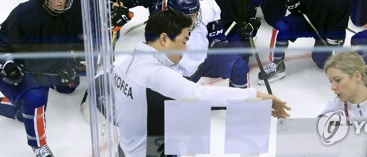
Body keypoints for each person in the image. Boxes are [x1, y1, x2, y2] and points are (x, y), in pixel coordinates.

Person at [112, 9, 290, 157]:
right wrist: (256, 95)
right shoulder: (153, 72)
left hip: (127, 149)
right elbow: (199, 94)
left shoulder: (122, 60)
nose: (186, 48)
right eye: (183, 41)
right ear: (164, 39)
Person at [0, 0, 83, 157]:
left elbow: (75, 40)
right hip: (20, 69)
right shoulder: (23, 13)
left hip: (44, 67)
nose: (63, 1)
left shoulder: (69, 14)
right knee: (35, 98)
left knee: (69, 86)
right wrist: (8, 65)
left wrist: (66, 65)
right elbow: (1, 42)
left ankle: (16, 106)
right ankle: (39, 146)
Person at [258, 0, 351, 83]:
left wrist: (332, 47)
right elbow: (294, 1)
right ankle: (277, 65)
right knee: (280, 29)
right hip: (304, 20)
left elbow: (338, 27)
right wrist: (293, 5)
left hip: (326, 28)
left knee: (322, 62)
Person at [167, 0, 249, 88]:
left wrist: (216, 33)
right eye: (186, 16)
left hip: (205, 59)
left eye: (194, 14)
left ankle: (240, 103)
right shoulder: (162, 36)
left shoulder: (202, 11)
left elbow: (212, 5)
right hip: (184, 74)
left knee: (239, 65)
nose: (192, 20)